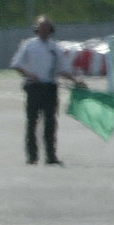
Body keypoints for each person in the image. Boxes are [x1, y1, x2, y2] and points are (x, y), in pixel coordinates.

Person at [11, 15, 74, 166]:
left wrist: (75, 80)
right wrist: (29, 75)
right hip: (34, 88)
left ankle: (51, 156)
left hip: (50, 88)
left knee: (50, 123)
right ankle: (32, 156)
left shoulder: (54, 48)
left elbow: (63, 68)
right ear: (36, 29)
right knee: (32, 122)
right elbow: (17, 65)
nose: (44, 30)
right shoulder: (28, 45)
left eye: (46, 27)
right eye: (41, 27)